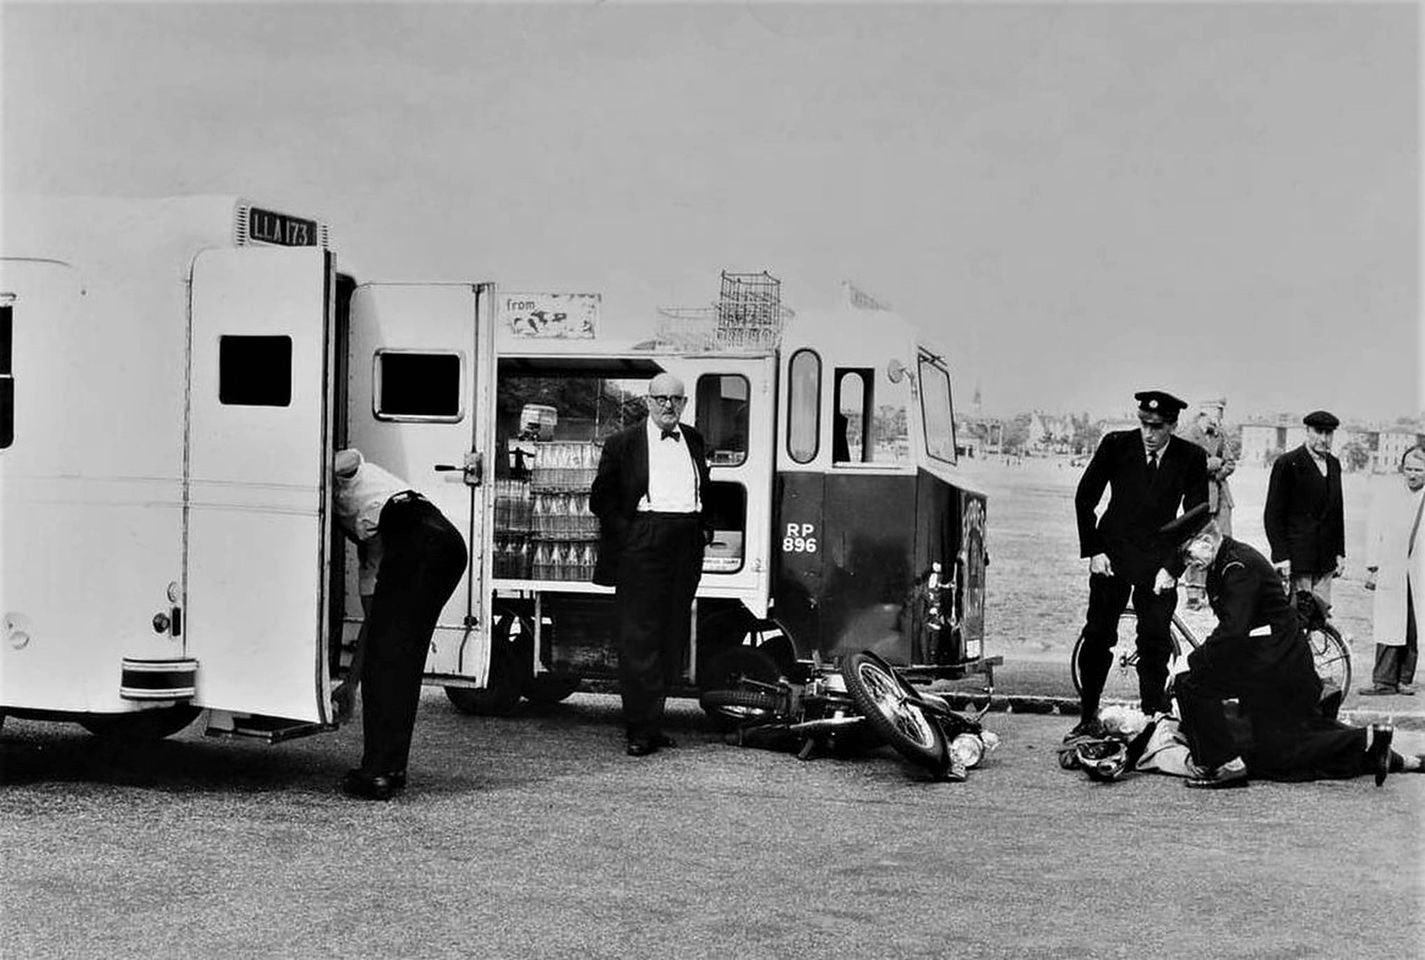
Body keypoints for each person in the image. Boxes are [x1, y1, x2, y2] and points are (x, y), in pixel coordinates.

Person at [1163, 504, 1415, 788]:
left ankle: (1224, 764)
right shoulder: (1227, 558)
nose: (1188, 564)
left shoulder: (1237, 568)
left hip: (1276, 670)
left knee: (1195, 685)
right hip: (1273, 662)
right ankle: (1386, 750)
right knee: (1292, 747)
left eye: (1187, 554)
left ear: (1206, 542)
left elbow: (1233, 632)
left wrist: (1194, 660)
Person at [1069, 390, 1209, 739]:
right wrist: (1094, 551)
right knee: (1098, 635)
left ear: (1173, 426)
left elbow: (1196, 516)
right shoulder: (1116, 445)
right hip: (1112, 556)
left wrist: (1173, 568)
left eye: (1158, 427)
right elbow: (1085, 497)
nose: (1149, 433)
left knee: (1155, 640)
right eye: (1144, 424)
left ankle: (1151, 719)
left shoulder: (1190, 457)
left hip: (1158, 560)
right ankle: (1088, 714)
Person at [331, 448, 468, 800]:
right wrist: (351, 683)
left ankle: (376, 773)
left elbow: (347, 460)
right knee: (398, 659)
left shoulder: (344, 471)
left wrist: (309, 473)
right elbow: (373, 624)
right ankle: (392, 768)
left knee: (390, 663)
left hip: (418, 534)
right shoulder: (371, 546)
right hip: (446, 543)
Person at [590, 373, 711, 757]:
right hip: (644, 540)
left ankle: (654, 723)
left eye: (676, 399)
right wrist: (630, 537)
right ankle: (639, 729)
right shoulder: (622, 443)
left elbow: (702, 486)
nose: (669, 406)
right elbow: (601, 501)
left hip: (686, 542)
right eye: (661, 399)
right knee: (639, 637)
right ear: (647, 401)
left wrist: (703, 526)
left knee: (671, 634)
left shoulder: (693, 438)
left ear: (685, 403)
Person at [1360, 445, 1425, 696]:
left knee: (1413, 625)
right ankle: (1384, 680)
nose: (1412, 474)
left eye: (1418, 470)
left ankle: (1404, 679)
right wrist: (1374, 565)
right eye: (1408, 468)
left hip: (1419, 572)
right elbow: (1374, 529)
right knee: (1389, 623)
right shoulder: (1388, 494)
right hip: (1392, 568)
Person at [1264, 410, 1345, 606]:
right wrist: (1281, 557)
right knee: (1298, 619)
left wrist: (1340, 553)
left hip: (1325, 561)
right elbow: (1273, 515)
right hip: (1298, 561)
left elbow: (1337, 512)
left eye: (1329, 433)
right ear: (1307, 431)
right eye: (1319, 432)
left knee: (1320, 618)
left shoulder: (1334, 464)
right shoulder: (1287, 463)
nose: (1324, 439)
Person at [1177, 398, 1236, 610]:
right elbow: (1185, 465)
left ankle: (1216, 591)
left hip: (1221, 497)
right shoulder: (1188, 435)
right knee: (1197, 543)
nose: (1220, 417)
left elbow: (1230, 461)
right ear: (1205, 412)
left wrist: (1217, 472)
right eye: (1218, 413)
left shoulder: (1219, 435)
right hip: (1198, 498)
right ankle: (1194, 593)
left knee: (1222, 544)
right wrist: (1211, 464)